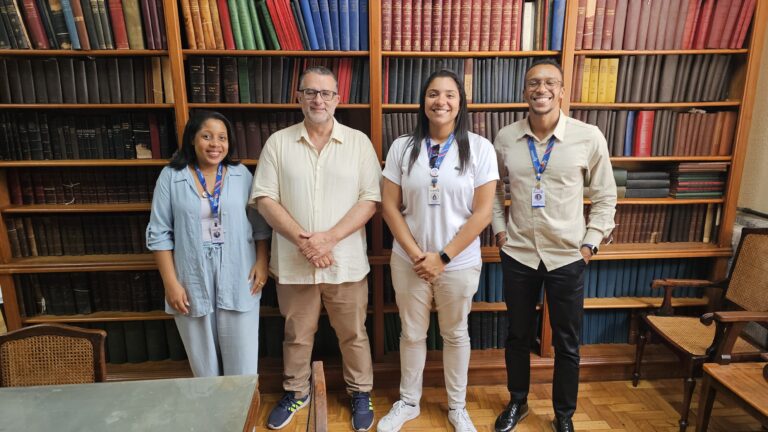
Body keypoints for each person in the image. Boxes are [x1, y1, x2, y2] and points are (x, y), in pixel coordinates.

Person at [251, 66, 381, 431]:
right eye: (310, 92)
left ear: (338, 99)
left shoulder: (358, 143)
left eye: (325, 93)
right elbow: (264, 199)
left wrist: (329, 238)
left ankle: (360, 392)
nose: (318, 100)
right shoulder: (278, 142)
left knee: (354, 333)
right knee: (295, 334)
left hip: (346, 264)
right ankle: (296, 392)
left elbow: (370, 200)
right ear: (299, 98)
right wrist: (305, 243)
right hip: (294, 263)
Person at [492, 58, 617, 432]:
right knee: (516, 335)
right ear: (524, 92)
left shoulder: (587, 136)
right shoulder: (505, 138)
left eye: (550, 83)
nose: (541, 89)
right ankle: (518, 402)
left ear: (562, 91)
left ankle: (564, 415)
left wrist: (589, 246)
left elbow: (605, 196)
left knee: (567, 342)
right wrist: (500, 233)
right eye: (533, 83)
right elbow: (493, 193)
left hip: (567, 256)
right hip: (518, 254)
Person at [378, 69, 499, 432]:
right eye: (433, 94)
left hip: (458, 262)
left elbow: (482, 213)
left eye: (449, 94)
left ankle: (457, 407)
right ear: (423, 102)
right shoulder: (402, 146)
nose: (440, 101)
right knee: (411, 333)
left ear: (460, 103)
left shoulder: (479, 147)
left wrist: (442, 257)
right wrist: (418, 254)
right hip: (409, 260)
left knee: (456, 333)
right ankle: (409, 401)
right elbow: (389, 206)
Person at [146, 110, 271, 377]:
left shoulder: (241, 176)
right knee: (204, 366)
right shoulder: (171, 176)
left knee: (243, 361)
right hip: (190, 273)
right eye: (207, 136)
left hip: (239, 270)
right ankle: (212, 415)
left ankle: (243, 415)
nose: (215, 144)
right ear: (192, 139)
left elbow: (260, 226)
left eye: (222, 138)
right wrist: (171, 283)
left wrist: (262, 262)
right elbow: (158, 233)